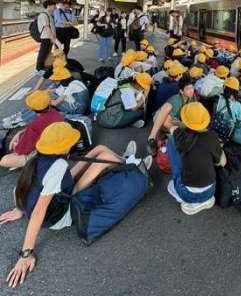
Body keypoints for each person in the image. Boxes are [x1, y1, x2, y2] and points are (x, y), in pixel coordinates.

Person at [0, 122, 150, 287]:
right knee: (104, 159)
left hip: (59, 191)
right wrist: (26, 254)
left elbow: (21, 188)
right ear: (63, 148)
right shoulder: (58, 166)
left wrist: (20, 208)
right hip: (62, 212)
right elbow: (38, 212)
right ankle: (133, 167)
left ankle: (125, 161)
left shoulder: (37, 157)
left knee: (99, 149)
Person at [167, 102, 226, 215]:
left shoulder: (179, 135)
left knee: (170, 140)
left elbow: (172, 129)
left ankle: (189, 200)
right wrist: (219, 149)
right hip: (210, 191)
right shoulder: (212, 137)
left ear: (185, 121)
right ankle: (204, 201)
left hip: (187, 194)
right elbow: (223, 163)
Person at [0, 91, 63, 170]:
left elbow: (24, 149)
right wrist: (20, 133)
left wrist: (16, 147)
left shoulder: (34, 125)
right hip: (55, 144)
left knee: (4, 160)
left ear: (31, 108)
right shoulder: (56, 113)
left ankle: (31, 161)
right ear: (49, 102)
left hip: (43, 151)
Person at [147, 75, 196, 154]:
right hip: (160, 118)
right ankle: (152, 137)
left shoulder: (192, 98)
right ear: (181, 91)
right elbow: (166, 118)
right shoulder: (176, 99)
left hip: (174, 120)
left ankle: (162, 137)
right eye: (188, 89)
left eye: (192, 87)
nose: (191, 91)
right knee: (166, 115)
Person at [211, 77, 241, 142]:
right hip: (225, 132)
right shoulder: (237, 105)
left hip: (214, 126)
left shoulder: (218, 98)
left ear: (225, 88)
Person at [36, 0, 63, 75]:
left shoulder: (49, 15)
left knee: (47, 53)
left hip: (49, 37)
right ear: (48, 6)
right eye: (53, 6)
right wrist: (53, 39)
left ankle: (44, 67)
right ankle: (38, 69)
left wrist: (52, 38)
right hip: (46, 37)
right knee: (43, 53)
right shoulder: (43, 15)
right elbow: (47, 28)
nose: (55, 7)